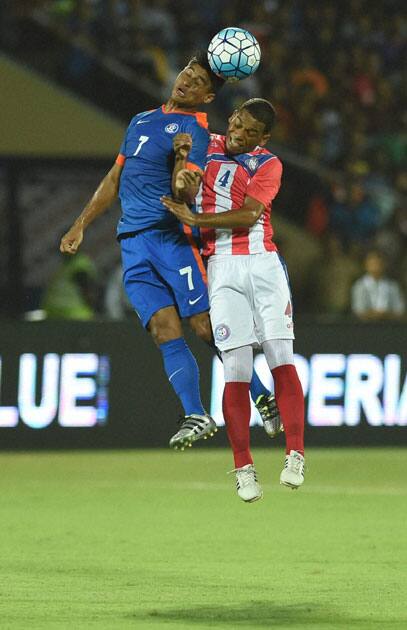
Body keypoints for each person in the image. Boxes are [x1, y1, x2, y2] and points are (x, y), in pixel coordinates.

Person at [59, 53, 280, 448]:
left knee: (203, 326)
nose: (187, 83)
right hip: (132, 243)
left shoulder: (194, 129)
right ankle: (195, 413)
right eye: (186, 74)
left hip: (171, 239)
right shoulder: (140, 120)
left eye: (198, 83)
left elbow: (187, 189)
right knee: (163, 330)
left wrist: (180, 158)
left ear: (208, 97)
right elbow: (114, 177)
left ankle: (262, 392)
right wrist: (80, 223)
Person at [162, 98, 305, 502]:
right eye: (237, 124)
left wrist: (196, 221)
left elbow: (248, 215)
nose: (239, 134)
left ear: (264, 138)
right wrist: (182, 168)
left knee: (280, 357)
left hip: (262, 264)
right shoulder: (207, 145)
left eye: (248, 132)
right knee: (236, 369)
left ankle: (295, 452)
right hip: (222, 268)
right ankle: (244, 467)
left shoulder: (268, 164)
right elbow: (183, 182)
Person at [351, 249, 405, 320]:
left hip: (390, 327)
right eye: (372, 264)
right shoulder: (359, 286)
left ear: (384, 265)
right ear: (366, 265)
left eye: (378, 263)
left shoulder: (392, 286)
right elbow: (358, 311)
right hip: (364, 327)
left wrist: (384, 314)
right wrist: (376, 314)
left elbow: (400, 311)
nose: (376, 267)